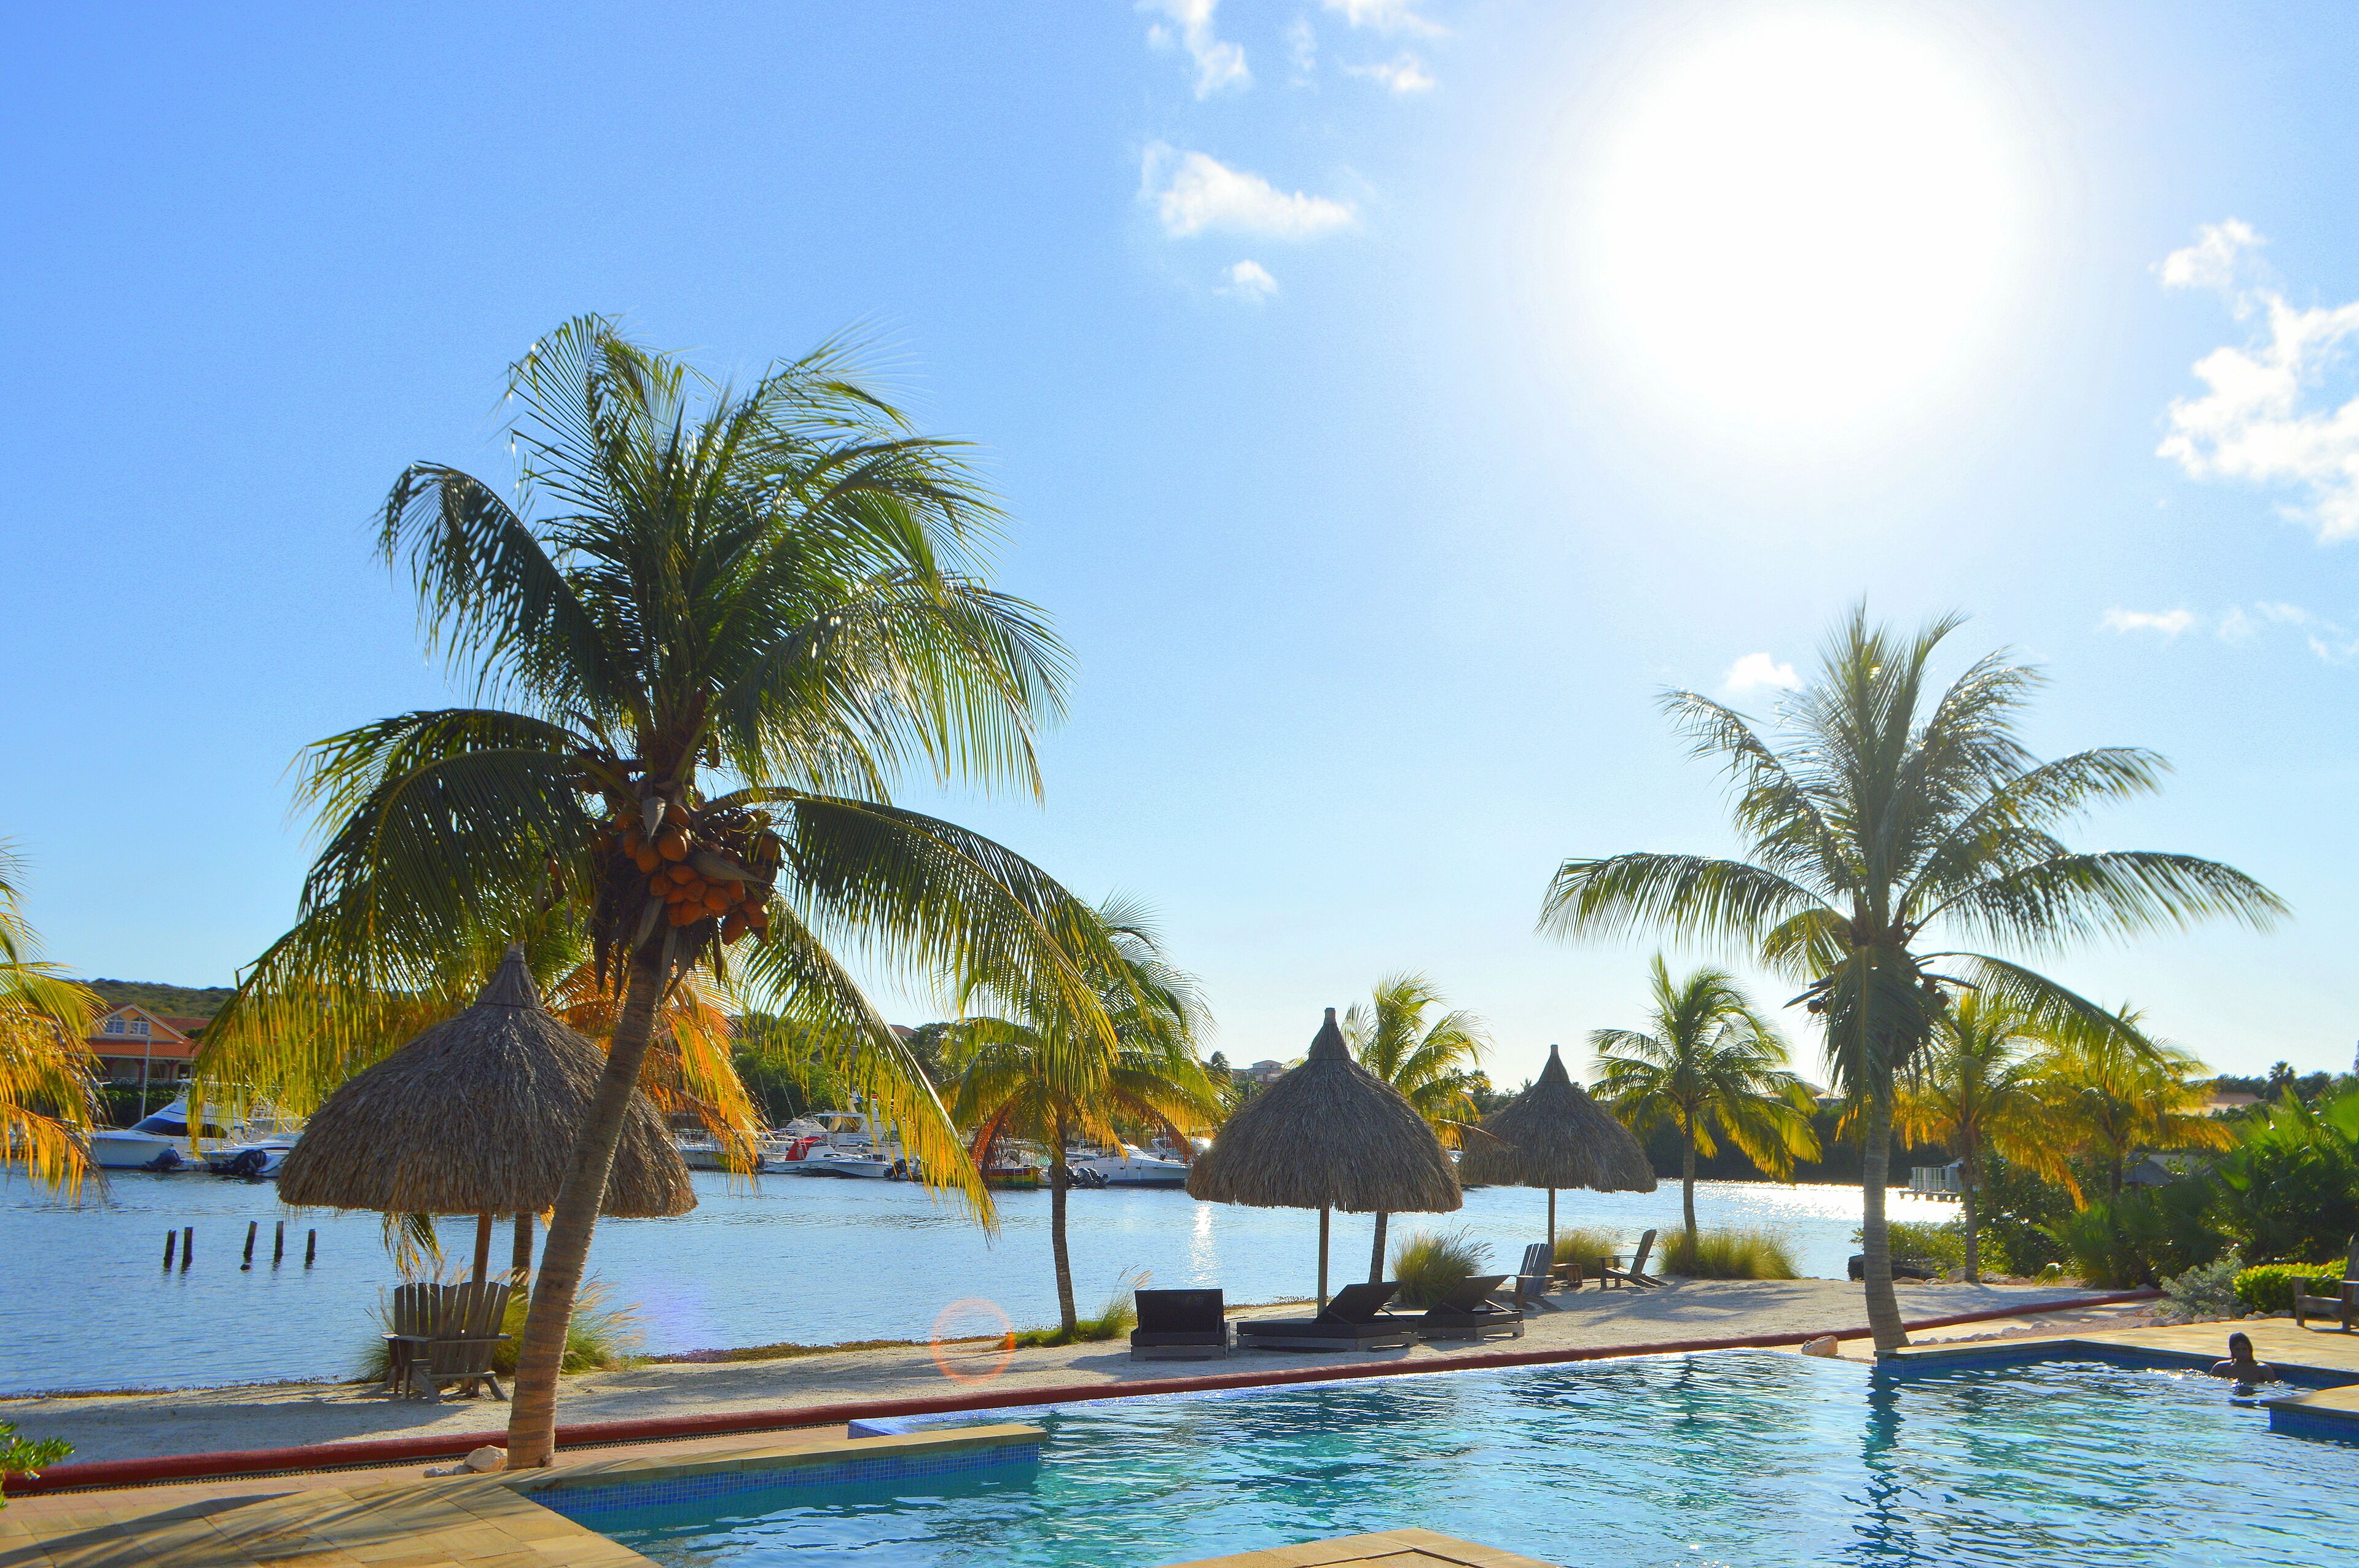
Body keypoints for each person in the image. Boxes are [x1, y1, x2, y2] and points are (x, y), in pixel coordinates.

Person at [2210, 1331, 2275, 1383]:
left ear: (2250, 1350)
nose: (2241, 1353)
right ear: (2232, 1351)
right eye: (2237, 1350)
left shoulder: (2263, 1370)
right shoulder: (2221, 1368)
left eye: (2244, 1349)